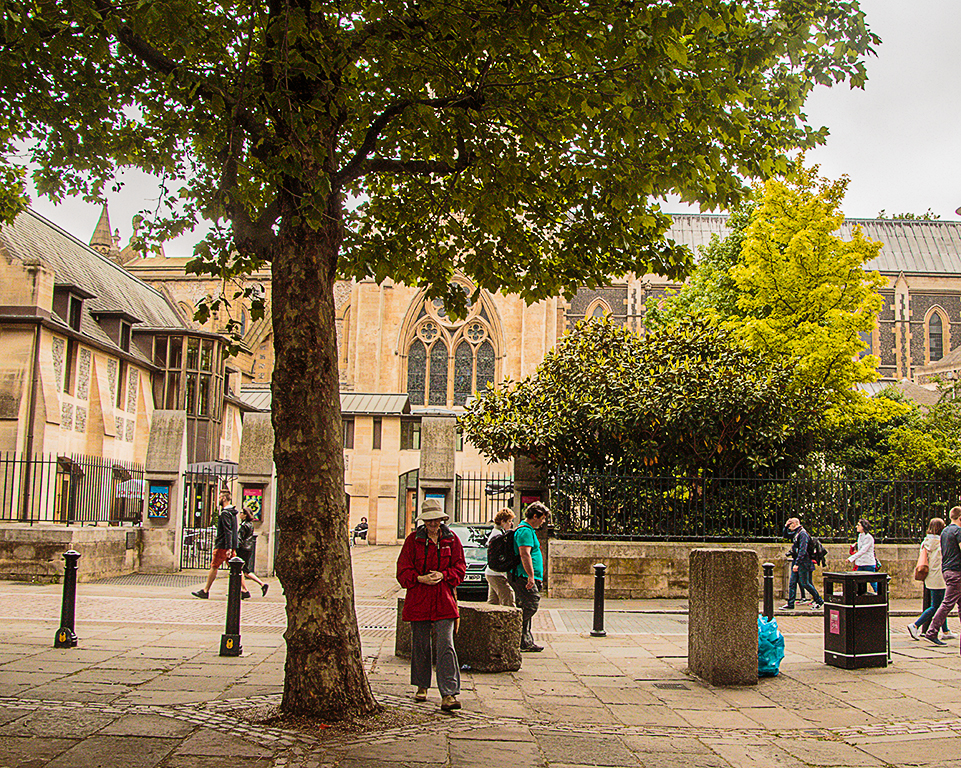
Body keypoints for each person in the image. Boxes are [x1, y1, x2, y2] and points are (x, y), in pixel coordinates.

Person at [395, 498, 466, 712]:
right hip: (419, 599)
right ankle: (421, 685)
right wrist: (419, 579)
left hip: (444, 600)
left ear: (441, 519)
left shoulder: (452, 540)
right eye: (429, 520)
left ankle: (449, 693)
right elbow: (402, 571)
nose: (433, 523)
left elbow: (460, 568)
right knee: (420, 644)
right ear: (423, 522)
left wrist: (444, 575)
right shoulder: (412, 541)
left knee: (446, 645)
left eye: (436, 519)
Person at [508, 501, 550, 651]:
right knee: (531, 604)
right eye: (542, 518)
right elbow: (525, 554)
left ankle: (525, 641)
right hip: (523, 576)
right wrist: (531, 576)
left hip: (528, 576)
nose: (543, 522)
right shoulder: (524, 531)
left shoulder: (528, 530)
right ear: (534, 516)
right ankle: (512, 629)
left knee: (526, 605)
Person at [907, 518, 956, 641]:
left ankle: (945, 631)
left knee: (940, 604)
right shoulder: (941, 542)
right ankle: (915, 625)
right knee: (937, 606)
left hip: (930, 577)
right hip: (939, 577)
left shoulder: (926, 541)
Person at [923, 505, 961, 647]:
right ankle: (932, 631)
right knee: (947, 604)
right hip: (957, 572)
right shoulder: (958, 531)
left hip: (947, 570)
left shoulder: (945, 532)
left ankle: (933, 631)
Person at [191, 489, 239, 599]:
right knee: (236, 568)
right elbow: (233, 530)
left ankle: (206, 590)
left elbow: (228, 531)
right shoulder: (232, 513)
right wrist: (232, 546)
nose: (218, 499)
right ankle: (244, 589)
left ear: (224, 498)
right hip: (229, 545)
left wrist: (228, 547)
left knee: (214, 566)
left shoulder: (225, 513)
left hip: (223, 545)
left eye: (219, 497)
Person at [779, 517, 823, 611]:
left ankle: (819, 600)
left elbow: (803, 550)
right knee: (792, 583)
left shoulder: (803, 534)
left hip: (803, 562)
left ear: (794, 524)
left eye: (790, 524)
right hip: (797, 560)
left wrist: (797, 564)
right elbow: (786, 535)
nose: (790, 527)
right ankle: (790, 604)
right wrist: (786, 526)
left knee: (805, 583)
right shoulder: (797, 532)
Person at [485, 508, 515, 607]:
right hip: (496, 573)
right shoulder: (498, 535)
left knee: (493, 601)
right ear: (502, 521)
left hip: (491, 572)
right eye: (509, 521)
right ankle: (511, 621)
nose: (511, 524)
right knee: (508, 598)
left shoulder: (496, 532)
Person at [237, 508, 269, 598]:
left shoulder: (244, 525)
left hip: (243, 549)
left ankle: (244, 590)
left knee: (240, 569)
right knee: (246, 571)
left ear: (245, 515)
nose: (240, 514)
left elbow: (240, 538)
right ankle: (262, 584)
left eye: (241, 513)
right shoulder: (250, 524)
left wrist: (235, 548)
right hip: (248, 549)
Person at [847, 518, 878, 592]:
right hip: (860, 563)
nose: (857, 527)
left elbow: (863, 550)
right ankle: (860, 596)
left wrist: (851, 558)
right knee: (857, 580)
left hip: (868, 563)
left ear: (863, 527)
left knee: (872, 582)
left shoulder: (868, 537)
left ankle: (880, 595)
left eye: (859, 525)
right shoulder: (860, 536)